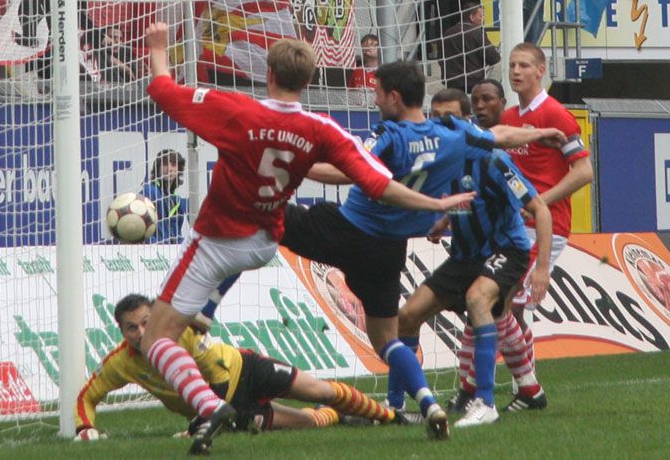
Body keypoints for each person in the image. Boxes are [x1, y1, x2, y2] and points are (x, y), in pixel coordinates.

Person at [139, 22, 475, 455]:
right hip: (264, 241)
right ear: (308, 80)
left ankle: (207, 404)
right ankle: (206, 315)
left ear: (269, 75)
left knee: (156, 341)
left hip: (219, 238)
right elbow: (377, 181)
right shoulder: (322, 130)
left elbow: (163, 90)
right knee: (380, 327)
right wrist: (433, 205)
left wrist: (159, 48)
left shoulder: (236, 111)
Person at [277, 61, 565, 438]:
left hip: (494, 248)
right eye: (438, 115)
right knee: (406, 320)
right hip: (434, 252)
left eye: (379, 92)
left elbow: (353, 169)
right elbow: (500, 138)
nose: (443, 121)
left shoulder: (405, 139)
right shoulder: (453, 142)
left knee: (483, 304)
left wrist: (299, 165)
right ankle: (404, 405)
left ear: (394, 97)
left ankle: (488, 401)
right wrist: (444, 220)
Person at [74, 294, 405, 441]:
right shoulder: (120, 364)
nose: (142, 333)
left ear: (157, 316)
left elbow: (218, 381)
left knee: (323, 389)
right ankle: (337, 415)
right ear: (121, 331)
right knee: (310, 422)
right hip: (230, 411)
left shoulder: (184, 332)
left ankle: (392, 417)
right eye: (132, 328)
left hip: (245, 371)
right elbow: (86, 396)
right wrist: (84, 428)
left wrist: (199, 424)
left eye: (147, 322)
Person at [397, 147, 552, 427]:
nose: (482, 103)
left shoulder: (494, 160)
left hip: (508, 248)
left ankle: (478, 396)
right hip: (464, 256)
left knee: (481, 304)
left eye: (487, 99)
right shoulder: (442, 157)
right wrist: (444, 220)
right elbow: (465, 201)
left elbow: (538, 207)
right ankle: (528, 389)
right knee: (413, 315)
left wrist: (542, 268)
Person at [499, 42, 593, 411]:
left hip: (545, 226)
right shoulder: (508, 117)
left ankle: (527, 389)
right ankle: (520, 386)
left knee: (508, 305)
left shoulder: (556, 114)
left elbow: (584, 172)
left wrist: (540, 203)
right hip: (512, 225)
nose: (516, 71)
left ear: (541, 71)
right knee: (498, 305)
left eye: (524, 65)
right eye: (512, 65)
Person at [441, 2, 500, 93]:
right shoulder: (477, 33)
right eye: (481, 16)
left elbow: (440, 58)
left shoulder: (447, 33)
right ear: (472, 17)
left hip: (451, 81)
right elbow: (494, 58)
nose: (483, 19)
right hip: (472, 81)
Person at [141, 149, 187, 244]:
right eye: (165, 164)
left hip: (170, 253)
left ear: (179, 170)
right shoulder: (149, 191)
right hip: (152, 251)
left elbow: (176, 234)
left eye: (174, 165)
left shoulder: (177, 200)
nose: (169, 169)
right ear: (158, 168)